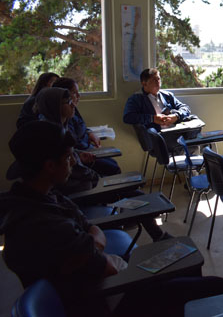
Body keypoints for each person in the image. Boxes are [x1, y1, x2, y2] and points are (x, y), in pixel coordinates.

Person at [0, 120, 223, 317]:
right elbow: (108, 267)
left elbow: (88, 227)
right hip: (107, 300)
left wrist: (92, 240)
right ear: (50, 166)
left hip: (99, 287)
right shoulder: (43, 223)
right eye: (69, 157)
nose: (73, 162)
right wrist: (94, 239)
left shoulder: (38, 198)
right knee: (219, 286)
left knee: (185, 265)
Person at [28, 87, 171, 242]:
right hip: (79, 191)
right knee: (138, 196)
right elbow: (73, 170)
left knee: (130, 188)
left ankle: (154, 233)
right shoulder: (52, 136)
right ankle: (158, 236)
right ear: (55, 106)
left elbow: (71, 158)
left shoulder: (59, 127)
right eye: (68, 102)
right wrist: (97, 178)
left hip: (81, 184)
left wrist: (78, 154)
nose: (73, 104)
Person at [53, 77, 121, 176]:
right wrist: (84, 152)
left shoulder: (72, 110)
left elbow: (82, 125)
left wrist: (89, 132)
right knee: (113, 168)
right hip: (83, 153)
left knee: (113, 164)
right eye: (74, 93)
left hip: (87, 148)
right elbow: (74, 144)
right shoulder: (63, 119)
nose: (78, 96)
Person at [123, 68, 192, 130]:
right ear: (144, 83)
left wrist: (176, 116)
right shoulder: (136, 98)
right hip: (155, 134)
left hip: (174, 130)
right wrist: (153, 118)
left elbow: (185, 108)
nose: (157, 82)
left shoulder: (167, 95)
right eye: (154, 80)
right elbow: (128, 117)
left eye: (158, 79)